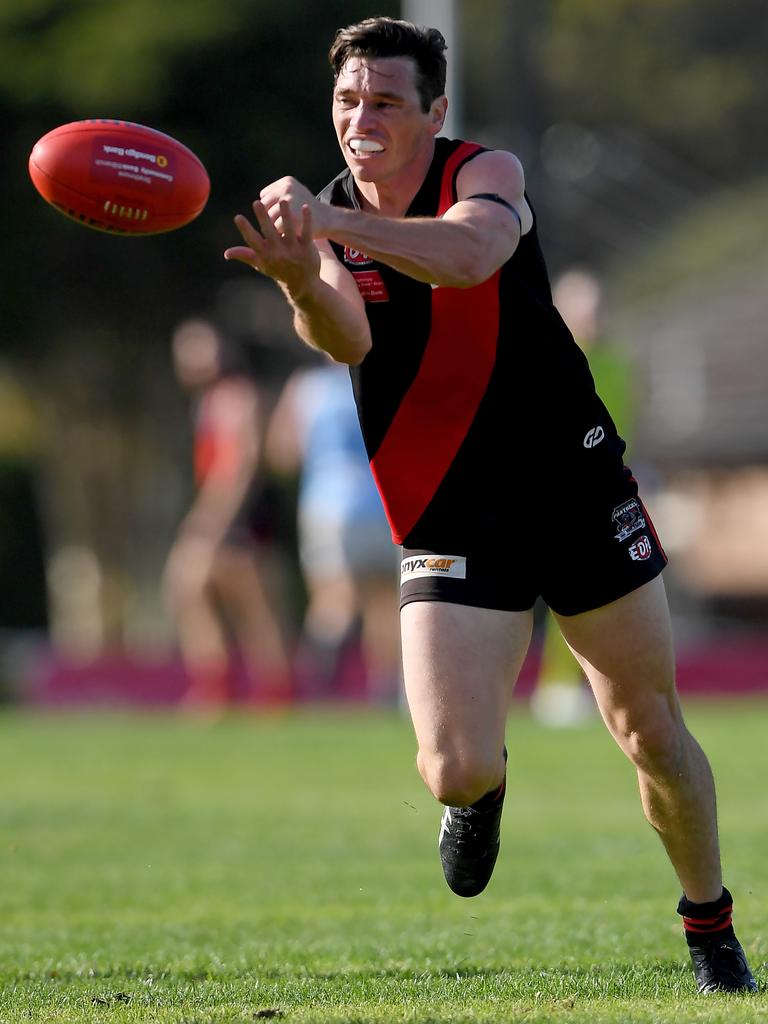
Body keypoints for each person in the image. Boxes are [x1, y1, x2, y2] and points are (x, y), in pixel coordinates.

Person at [223, 17, 757, 993]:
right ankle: (483, 792)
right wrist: (302, 271)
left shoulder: (485, 173)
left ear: (434, 112)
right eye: (348, 100)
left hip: (573, 485)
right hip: (446, 503)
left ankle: (709, 923)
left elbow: (472, 257)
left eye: (386, 100)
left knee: (646, 725)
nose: (362, 118)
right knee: (455, 766)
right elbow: (346, 338)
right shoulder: (332, 217)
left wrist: (329, 228)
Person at [163, 318, 292, 709]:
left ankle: (245, 690)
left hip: (239, 516)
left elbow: (240, 466)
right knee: (221, 596)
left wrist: (214, 519)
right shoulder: (207, 402)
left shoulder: (235, 396)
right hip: (227, 514)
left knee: (207, 590)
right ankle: (236, 687)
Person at [530, 268, 636, 727]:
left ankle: (580, 687)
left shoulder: (617, 366)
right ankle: (554, 685)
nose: (592, 319)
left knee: (605, 596)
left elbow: (625, 430)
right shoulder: (542, 357)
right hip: (547, 491)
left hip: (604, 493)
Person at [267, 360, 399, 702]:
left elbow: (282, 453)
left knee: (333, 600)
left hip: (327, 505)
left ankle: (317, 683)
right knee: (385, 601)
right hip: (385, 503)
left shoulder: (306, 386)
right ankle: (384, 689)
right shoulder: (386, 373)